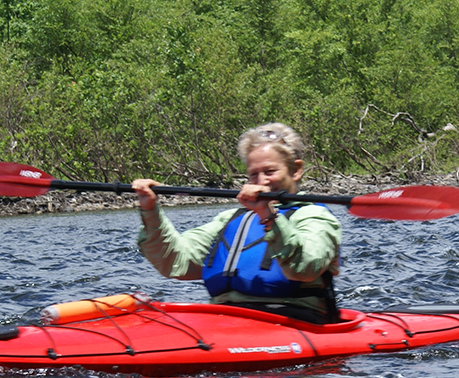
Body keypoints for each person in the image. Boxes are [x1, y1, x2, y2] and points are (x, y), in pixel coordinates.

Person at [133, 123, 342, 324]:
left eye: (270, 171)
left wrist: (267, 214)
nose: (261, 181)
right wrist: (150, 210)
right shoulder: (232, 219)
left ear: (295, 170)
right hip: (224, 319)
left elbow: (304, 268)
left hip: (294, 320)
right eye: (253, 174)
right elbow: (176, 262)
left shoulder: (315, 217)